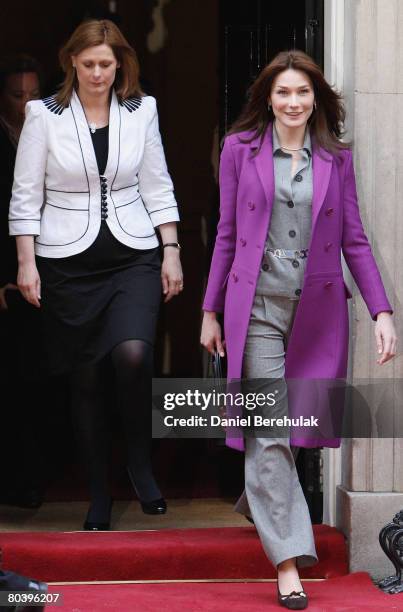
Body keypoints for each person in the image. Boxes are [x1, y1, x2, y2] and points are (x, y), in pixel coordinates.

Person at [201, 50, 397, 609]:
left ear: (316, 100)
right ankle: (288, 563)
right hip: (256, 310)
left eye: (303, 93)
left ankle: (259, 495)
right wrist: (210, 310)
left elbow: (354, 239)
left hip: (317, 313)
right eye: (283, 93)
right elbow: (227, 233)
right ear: (268, 98)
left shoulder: (336, 158)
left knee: (292, 427)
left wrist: (382, 311)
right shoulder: (240, 152)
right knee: (270, 431)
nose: (293, 102)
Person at [9, 19, 183, 531]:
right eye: (88, 64)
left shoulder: (142, 110)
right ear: (71, 63)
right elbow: (25, 195)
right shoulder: (43, 115)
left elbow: (157, 183)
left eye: (107, 64)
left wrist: (170, 250)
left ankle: (137, 461)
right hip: (66, 261)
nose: (98, 73)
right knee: (85, 379)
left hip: (133, 254)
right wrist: (25, 262)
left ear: (120, 63)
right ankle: (98, 492)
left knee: (133, 355)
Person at [0, 54, 45, 508]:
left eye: (34, 93)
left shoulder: (48, 128)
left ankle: (37, 476)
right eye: (18, 95)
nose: (27, 102)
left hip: (45, 275)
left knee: (39, 382)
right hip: (4, 280)